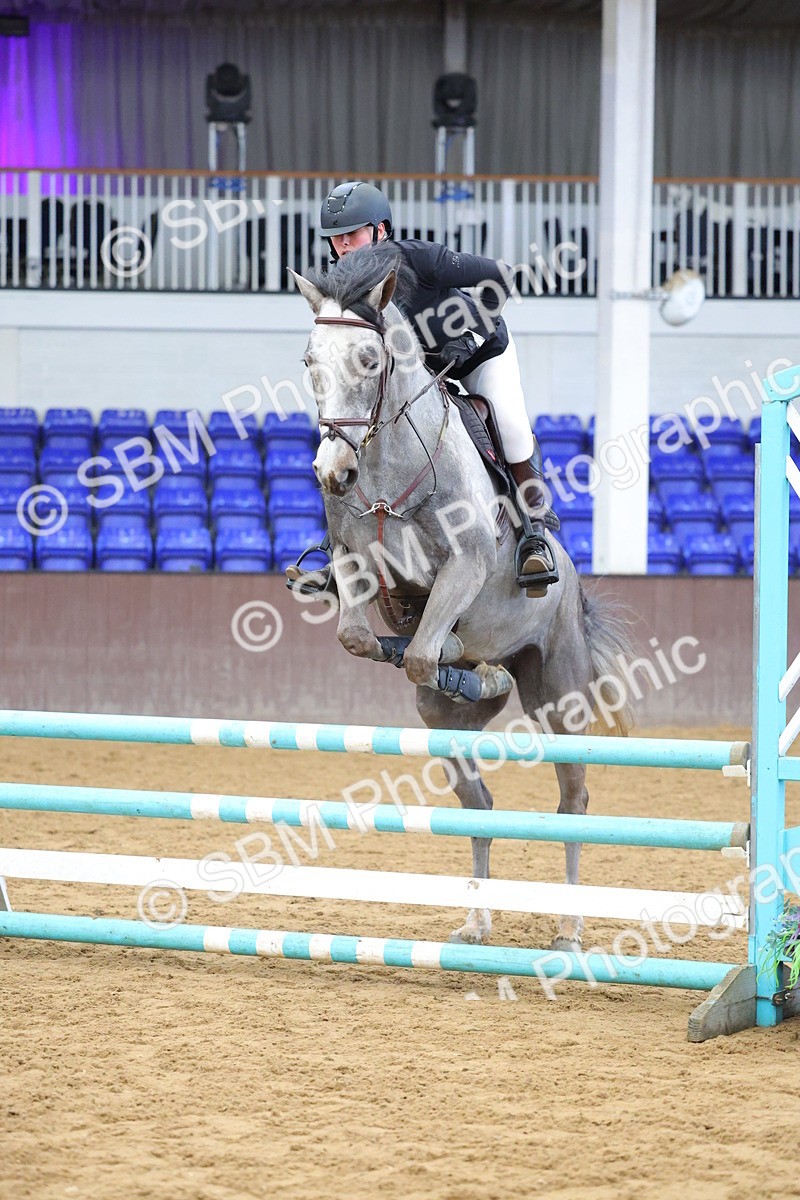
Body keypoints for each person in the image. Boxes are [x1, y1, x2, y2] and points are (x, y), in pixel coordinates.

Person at [286, 180, 559, 597]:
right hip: (421, 374)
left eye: (352, 234)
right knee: (358, 439)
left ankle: (534, 535)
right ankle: (337, 554)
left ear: (381, 230)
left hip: (479, 353)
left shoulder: (420, 259)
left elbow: (498, 279)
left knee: (512, 427)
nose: (343, 245)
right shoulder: (343, 284)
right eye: (336, 238)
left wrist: (468, 337)